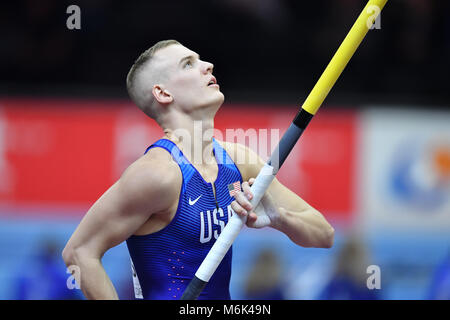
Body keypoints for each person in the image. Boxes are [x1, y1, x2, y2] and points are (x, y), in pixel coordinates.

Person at [62, 39, 335, 300]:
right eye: (188, 64)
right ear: (163, 93)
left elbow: (325, 235)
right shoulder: (157, 175)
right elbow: (79, 251)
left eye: (200, 59)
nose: (208, 65)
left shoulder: (237, 161)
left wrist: (280, 219)